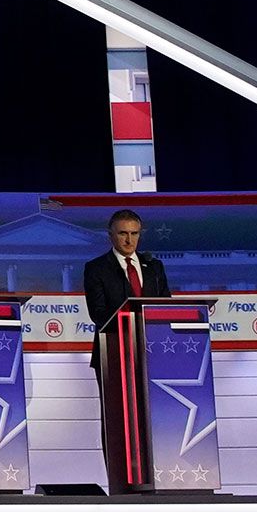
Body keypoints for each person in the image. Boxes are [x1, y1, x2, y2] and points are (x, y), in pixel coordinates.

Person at [83, 208, 173, 492]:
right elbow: (98, 314)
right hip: (114, 356)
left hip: (152, 355)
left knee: (155, 418)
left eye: (134, 234)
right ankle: (120, 482)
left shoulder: (154, 267)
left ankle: (158, 476)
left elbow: (166, 307)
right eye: (123, 233)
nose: (128, 240)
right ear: (111, 235)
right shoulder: (96, 268)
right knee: (116, 421)